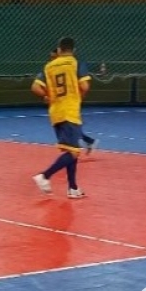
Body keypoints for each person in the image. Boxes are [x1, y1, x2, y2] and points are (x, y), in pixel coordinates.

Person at [31, 37, 91, 198]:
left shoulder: (49, 66)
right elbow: (85, 86)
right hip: (70, 110)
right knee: (73, 152)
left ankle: (73, 188)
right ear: (73, 50)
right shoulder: (76, 63)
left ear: (58, 49)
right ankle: (44, 176)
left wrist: (47, 97)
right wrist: (80, 97)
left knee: (73, 150)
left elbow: (35, 87)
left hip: (55, 111)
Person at [46, 49, 98, 155]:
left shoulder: (70, 66)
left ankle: (75, 150)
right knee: (72, 127)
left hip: (69, 104)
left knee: (71, 128)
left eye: (53, 57)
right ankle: (88, 142)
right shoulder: (52, 68)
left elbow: (83, 86)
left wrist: (78, 98)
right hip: (61, 104)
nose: (52, 59)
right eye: (51, 57)